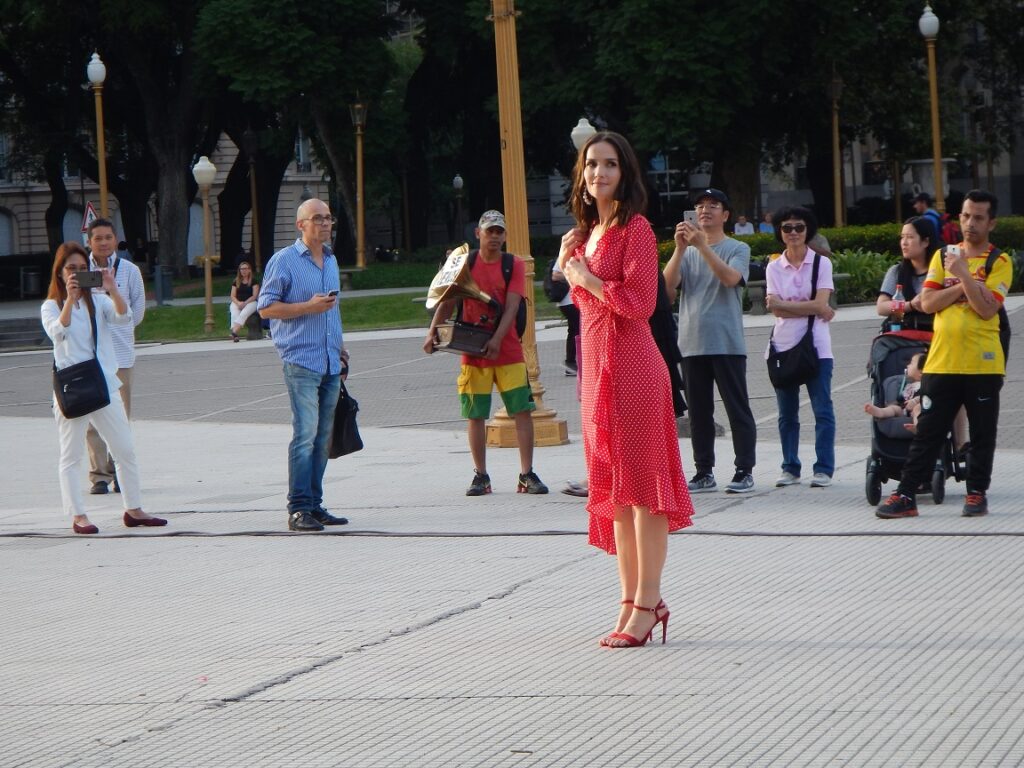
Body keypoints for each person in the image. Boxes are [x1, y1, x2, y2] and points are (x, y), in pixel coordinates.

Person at [558, 130, 693, 648]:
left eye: (610, 165)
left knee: (644, 494)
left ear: (625, 173)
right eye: (592, 165)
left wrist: (584, 277)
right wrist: (571, 261)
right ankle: (628, 600)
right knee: (616, 495)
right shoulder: (587, 233)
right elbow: (563, 286)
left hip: (634, 368)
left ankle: (648, 601)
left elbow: (639, 305)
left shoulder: (635, 229)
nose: (599, 173)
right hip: (596, 371)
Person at [876, 189, 1011, 519]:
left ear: (991, 222)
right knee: (928, 430)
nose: (970, 223)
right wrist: (965, 285)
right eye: (965, 216)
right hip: (941, 360)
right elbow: (928, 302)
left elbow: (987, 309)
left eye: (978, 217)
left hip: (982, 363)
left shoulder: (1000, 261)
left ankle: (976, 492)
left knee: (982, 433)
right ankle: (906, 494)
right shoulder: (942, 257)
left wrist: (964, 274)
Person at [41, 242, 166, 534]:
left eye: (83, 269)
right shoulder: (51, 305)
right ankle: (78, 515)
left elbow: (124, 317)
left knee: (125, 449)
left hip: (103, 384)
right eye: (71, 269)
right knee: (70, 455)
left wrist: (112, 288)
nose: (77, 274)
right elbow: (57, 332)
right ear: (59, 273)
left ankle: (133, 509)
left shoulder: (97, 301)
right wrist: (70, 300)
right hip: (72, 389)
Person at [423, 210, 548, 497]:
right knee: (475, 414)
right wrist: (432, 332)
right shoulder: (466, 262)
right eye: (489, 231)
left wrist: (498, 339)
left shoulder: (512, 264)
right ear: (478, 233)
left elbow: (513, 305)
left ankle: (526, 473)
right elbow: (448, 298)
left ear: (504, 236)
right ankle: (481, 475)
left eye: (499, 232)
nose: (494, 236)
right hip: (473, 350)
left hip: (508, 351)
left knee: (522, 412)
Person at [257, 199, 350, 532]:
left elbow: (333, 310)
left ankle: (314, 504)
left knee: (324, 436)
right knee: (305, 434)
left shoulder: (331, 260)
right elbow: (266, 310)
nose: (325, 224)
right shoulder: (283, 261)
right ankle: (298, 508)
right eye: (317, 219)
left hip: (328, 360)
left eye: (328, 218)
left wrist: (340, 347)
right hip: (300, 360)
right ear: (301, 225)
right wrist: (307, 307)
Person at [663, 188, 758, 494]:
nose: (705, 211)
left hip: (727, 343)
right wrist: (679, 249)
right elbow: (665, 291)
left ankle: (744, 470)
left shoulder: (737, 248)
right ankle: (703, 471)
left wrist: (703, 247)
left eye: (713, 206)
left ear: (726, 215)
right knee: (699, 413)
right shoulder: (687, 252)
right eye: (700, 207)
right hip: (692, 344)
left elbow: (731, 279)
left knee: (737, 408)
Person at [765, 206, 837, 488]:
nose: (793, 233)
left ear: (808, 230)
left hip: (817, 346)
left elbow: (822, 304)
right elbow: (777, 311)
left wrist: (786, 304)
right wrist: (811, 308)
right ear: (780, 232)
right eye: (787, 228)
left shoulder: (821, 264)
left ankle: (824, 468)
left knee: (822, 409)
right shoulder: (773, 266)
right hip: (782, 347)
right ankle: (790, 467)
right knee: (787, 414)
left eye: (799, 227)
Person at [85, 218, 146, 496]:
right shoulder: (79, 270)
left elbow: (138, 311)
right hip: (89, 355)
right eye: (98, 238)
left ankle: (121, 472)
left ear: (116, 239)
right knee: (92, 418)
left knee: (121, 418)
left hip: (121, 354)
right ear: (89, 241)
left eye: (108, 237)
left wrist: (115, 318)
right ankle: (99, 475)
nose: (103, 243)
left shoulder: (130, 271)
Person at [876, 217, 937, 333]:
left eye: (910, 237)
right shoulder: (896, 271)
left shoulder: (940, 271)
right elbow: (881, 307)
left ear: (926, 242)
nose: (904, 243)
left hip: (935, 333)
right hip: (904, 335)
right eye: (902, 237)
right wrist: (911, 305)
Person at [865, 351, 925, 430]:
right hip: (905, 411)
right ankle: (881, 412)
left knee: (918, 409)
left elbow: (926, 396)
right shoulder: (909, 386)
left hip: (922, 411)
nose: (907, 365)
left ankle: (918, 428)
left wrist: (914, 401)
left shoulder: (926, 385)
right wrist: (894, 404)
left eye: (911, 363)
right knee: (894, 408)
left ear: (920, 372)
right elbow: (901, 398)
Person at [550, 260, 579, 375]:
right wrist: (575, 275)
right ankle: (571, 363)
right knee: (576, 331)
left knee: (575, 330)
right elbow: (555, 275)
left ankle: (573, 362)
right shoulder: (567, 254)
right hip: (569, 301)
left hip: (575, 301)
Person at [229, 261, 261, 342]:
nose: (243, 271)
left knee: (244, 313)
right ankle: (235, 336)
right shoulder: (236, 281)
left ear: (249, 270)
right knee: (234, 313)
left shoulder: (254, 281)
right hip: (237, 302)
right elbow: (232, 295)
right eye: (241, 269)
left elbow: (254, 296)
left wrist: (245, 303)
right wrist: (238, 303)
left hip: (251, 302)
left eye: (245, 269)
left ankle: (234, 332)